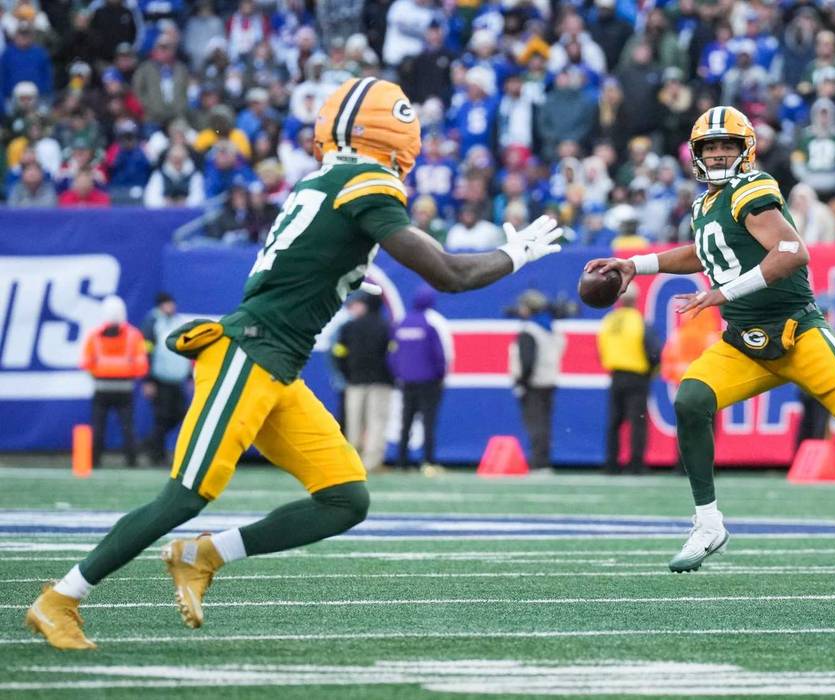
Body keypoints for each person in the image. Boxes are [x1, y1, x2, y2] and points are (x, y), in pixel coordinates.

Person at [26, 77, 566, 651]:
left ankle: (204, 554)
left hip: (279, 362)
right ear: (393, 134)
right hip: (249, 351)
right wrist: (514, 255)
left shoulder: (326, 178)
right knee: (184, 495)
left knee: (345, 498)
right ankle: (60, 598)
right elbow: (449, 275)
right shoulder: (365, 181)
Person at [587, 107, 835, 579]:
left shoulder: (753, 190)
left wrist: (721, 292)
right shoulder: (705, 205)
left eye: (726, 146)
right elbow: (706, 251)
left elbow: (792, 252)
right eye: (710, 147)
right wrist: (640, 264)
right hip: (743, 342)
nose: (717, 154)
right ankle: (707, 522)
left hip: (797, 333)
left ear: (745, 150)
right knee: (691, 399)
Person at [597, 285, 661, 474]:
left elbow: (602, 348)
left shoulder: (609, 320)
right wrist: (652, 369)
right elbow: (653, 351)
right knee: (637, 422)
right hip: (637, 376)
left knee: (614, 422)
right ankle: (635, 463)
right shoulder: (639, 321)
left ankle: (611, 463)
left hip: (616, 374)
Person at [80, 295, 148, 469]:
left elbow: (85, 363)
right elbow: (142, 366)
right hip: (125, 388)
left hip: (101, 388)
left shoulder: (94, 336)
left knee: (98, 426)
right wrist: (126, 371)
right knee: (128, 427)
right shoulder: (134, 336)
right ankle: (132, 461)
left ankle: (94, 461)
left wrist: (99, 373)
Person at [389, 285, 453, 471]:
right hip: (429, 381)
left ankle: (401, 462)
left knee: (406, 421)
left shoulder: (401, 323)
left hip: (407, 380)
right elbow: (439, 353)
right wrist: (441, 375)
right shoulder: (432, 323)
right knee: (428, 422)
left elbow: (392, 354)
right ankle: (428, 461)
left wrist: (399, 373)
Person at [333, 291, 393, 473]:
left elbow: (338, 354)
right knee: (377, 422)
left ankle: (352, 462)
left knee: (354, 423)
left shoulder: (349, 327)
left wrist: (347, 375)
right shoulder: (386, 327)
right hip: (381, 383)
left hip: (355, 382)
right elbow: (392, 356)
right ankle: (372, 462)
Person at [508, 290, 566, 472]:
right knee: (544, 423)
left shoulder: (530, 331)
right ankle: (544, 460)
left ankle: (538, 462)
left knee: (535, 424)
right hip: (549, 381)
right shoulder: (550, 328)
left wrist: (522, 383)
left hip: (533, 384)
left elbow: (527, 361)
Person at [141, 293, 192, 466]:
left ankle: (150, 443)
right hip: (159, 379)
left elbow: (186, 350)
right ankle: (157, 455)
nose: (171, 307)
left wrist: (189, 376)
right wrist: (148, 380)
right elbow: (146, 352)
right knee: (161, 418)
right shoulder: (152, 323)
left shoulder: (179, 322)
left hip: (177, 378)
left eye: (172, 303)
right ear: (160, 306)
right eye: (167, 304)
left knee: (180, 415)